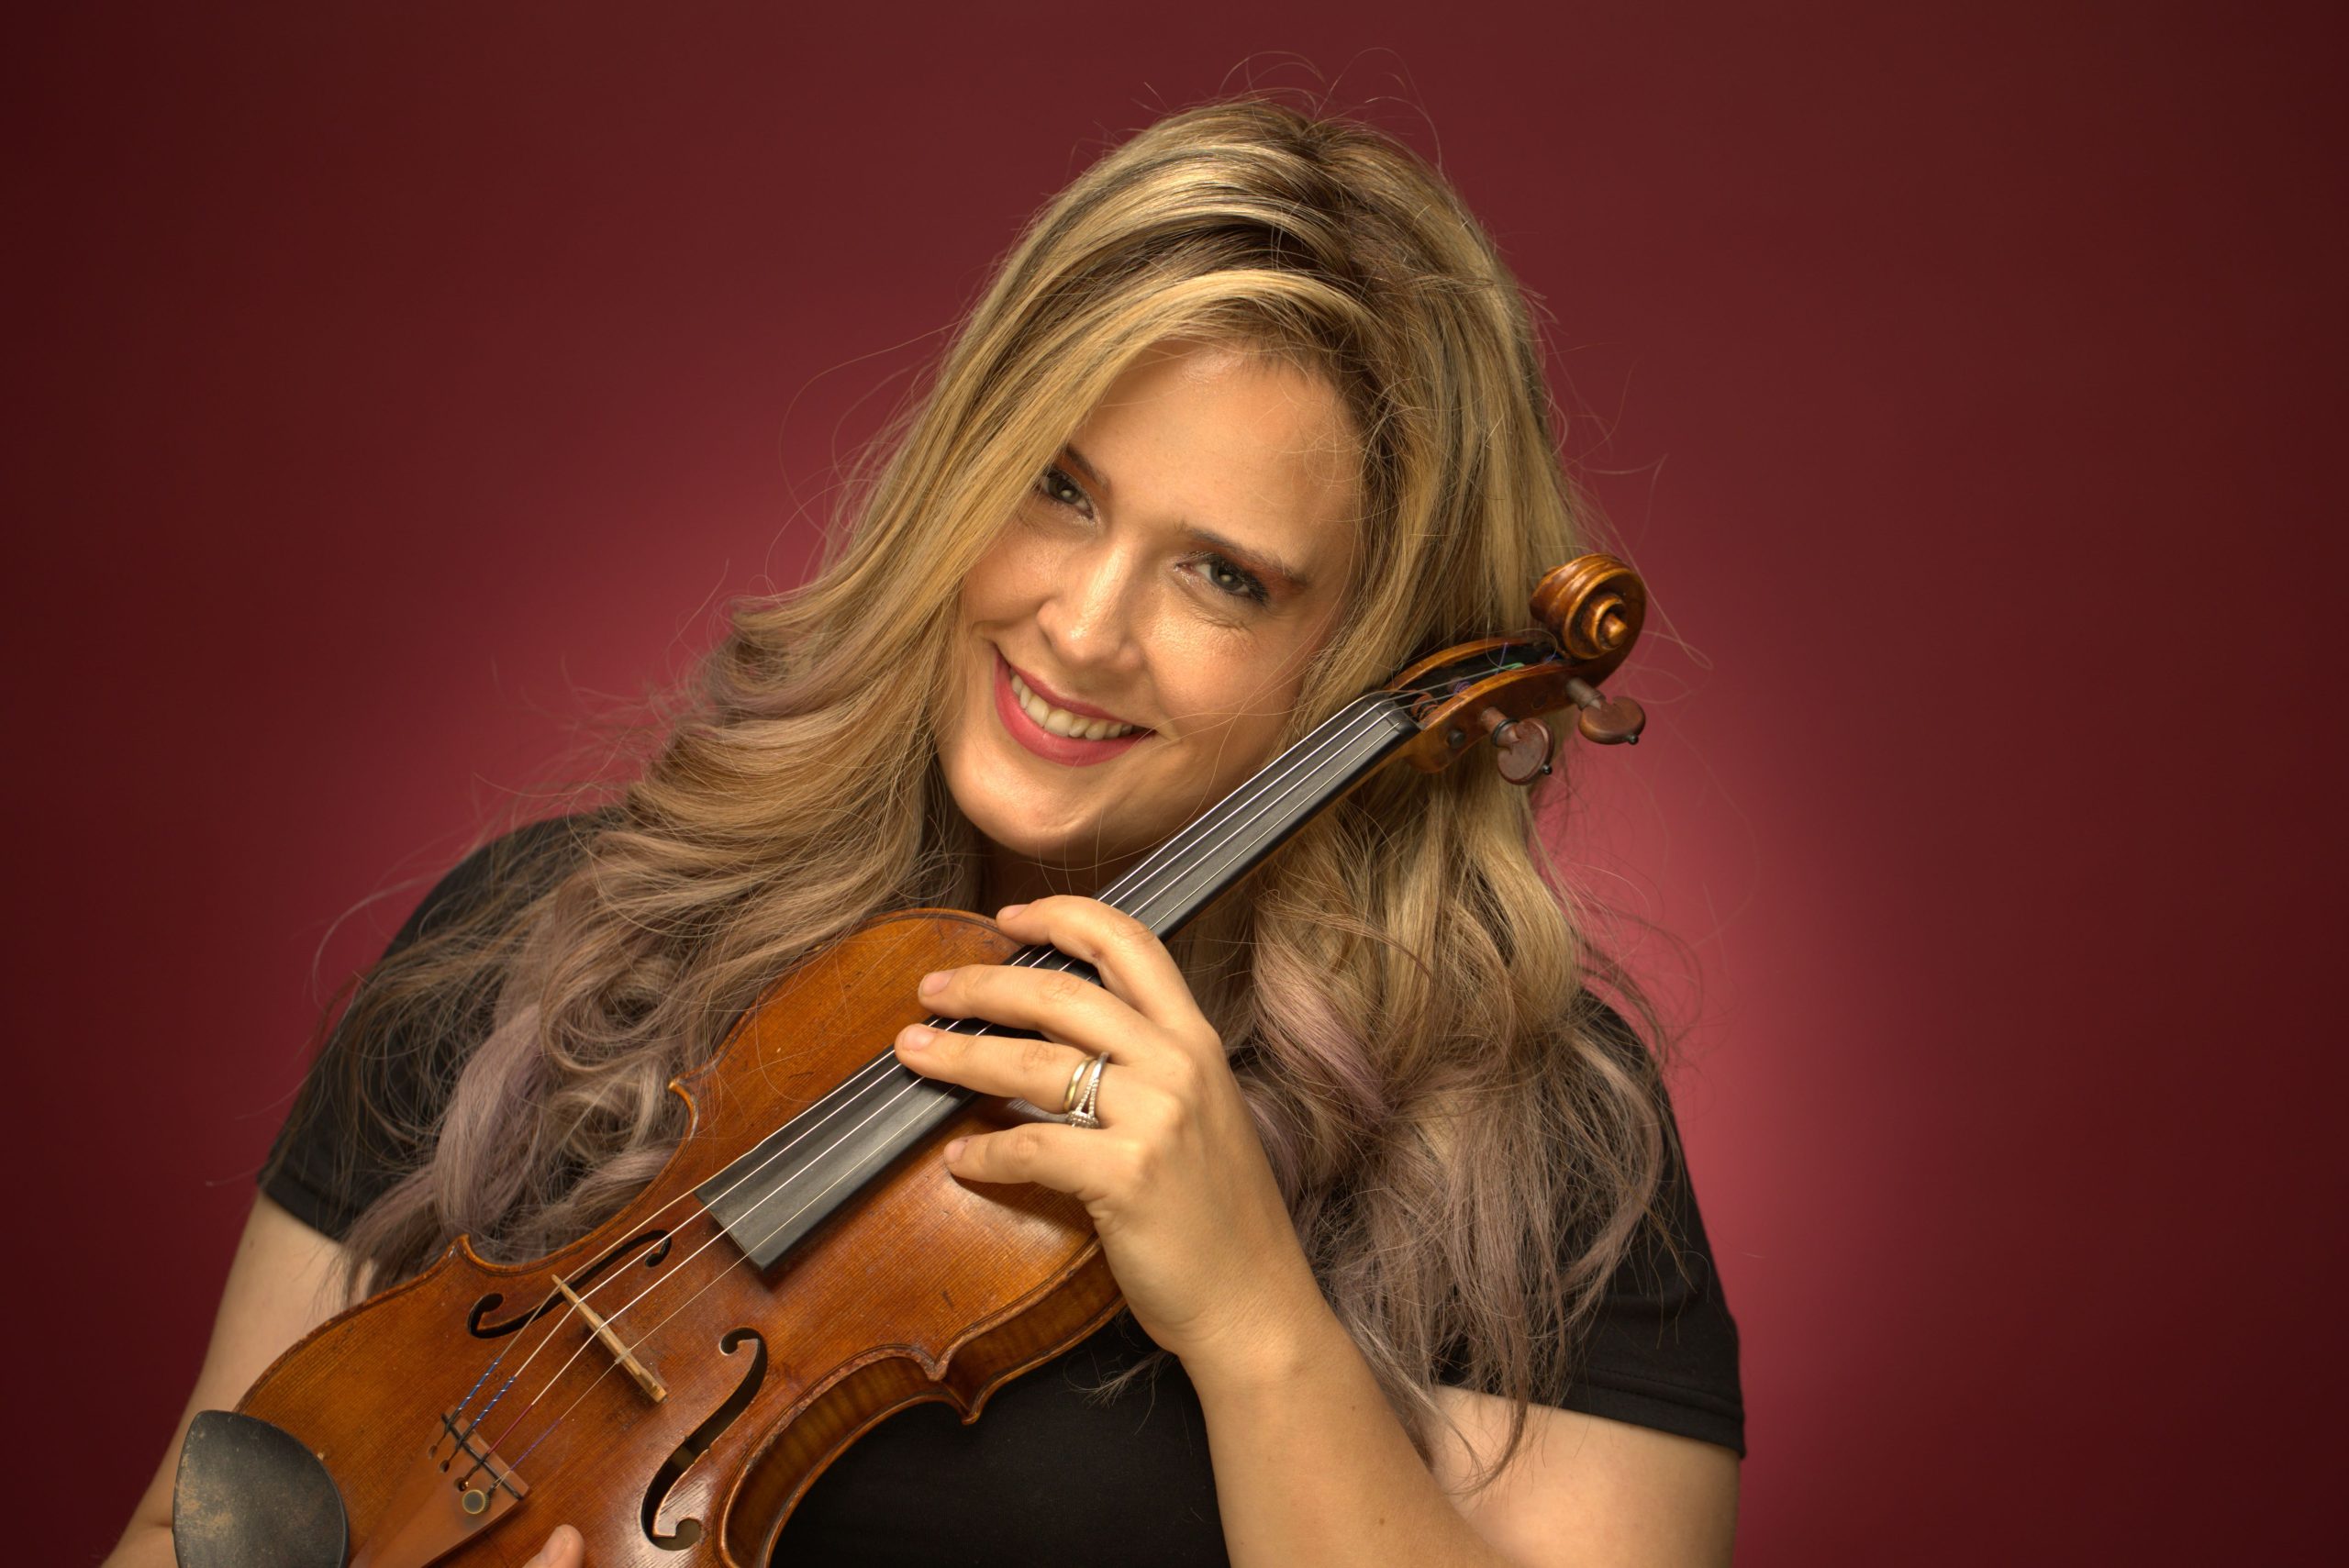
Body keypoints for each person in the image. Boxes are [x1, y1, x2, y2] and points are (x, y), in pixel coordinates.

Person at [106, 97, 1742, 1568]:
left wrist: (1258, 1324)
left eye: (1224, 575)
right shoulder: (545, 944)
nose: (1082, 627)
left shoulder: (1526, 1131)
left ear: (1364, 655)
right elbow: (195, 1536)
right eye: (1059, 487)